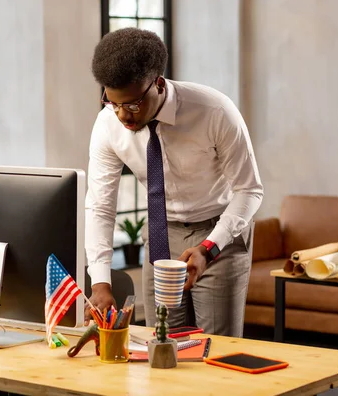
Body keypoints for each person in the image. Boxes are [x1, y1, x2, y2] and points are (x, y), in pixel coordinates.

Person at [84, 27, 263, 337]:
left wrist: (208, 248)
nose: (123, 116)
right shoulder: (108, 125)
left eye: (133, 104)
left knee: (214, 350)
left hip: (218, 231)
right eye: (113, 103)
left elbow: (249, 190)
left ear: (159, 84)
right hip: (160, 234)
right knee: (163, 345)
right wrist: (100, 281)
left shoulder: (215, 112)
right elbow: (100, 206)